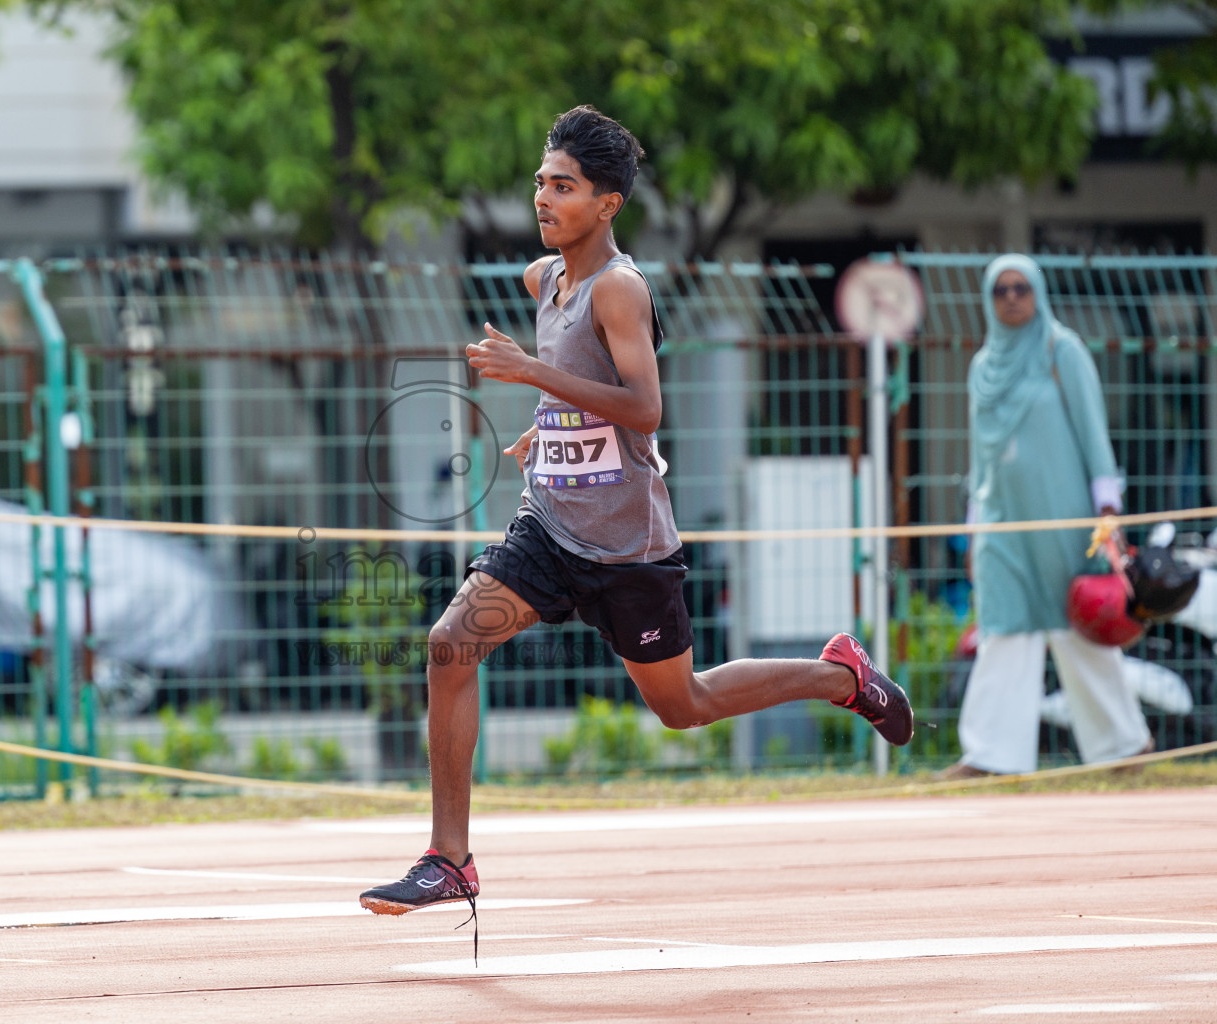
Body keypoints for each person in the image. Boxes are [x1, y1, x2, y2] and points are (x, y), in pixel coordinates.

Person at [358, 106, 913, 920]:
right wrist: (542, 436)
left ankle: (841, 676)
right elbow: (586, 398)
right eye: (542, 182)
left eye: (564, 186)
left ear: (608, 203)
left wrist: (533, 379)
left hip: (628, 549)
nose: (543, 198)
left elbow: (644, 409)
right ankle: (450, 861)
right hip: (548, 527)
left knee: (681, 706)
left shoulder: (619, 289)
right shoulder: (543, 280)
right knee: (450, 646)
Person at [941, 254, 1151, 779]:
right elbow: (980, 458)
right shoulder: (982, 368)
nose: (1012, 298)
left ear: (1038, 293)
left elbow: (1094, 435)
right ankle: (990, 758)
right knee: (1003, 630)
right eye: (1000, 290)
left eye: (1022, 288)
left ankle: (1124, 747)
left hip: (1063, 522)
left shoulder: (1064, 351)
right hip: (1001, 523)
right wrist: (973, 529)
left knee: (1078, 627)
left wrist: (1108, 515)